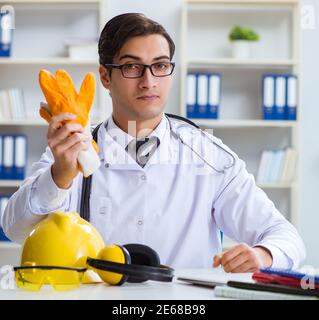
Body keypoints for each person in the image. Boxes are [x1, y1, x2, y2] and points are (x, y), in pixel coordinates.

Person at [1, 13, 305, 271]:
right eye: (132, 67)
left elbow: (284, 236)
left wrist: (263, 255)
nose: (149, 81)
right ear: (105, 77)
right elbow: (14, 228)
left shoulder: (208, 155)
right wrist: (61, 175)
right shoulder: (71, 150)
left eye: (160, 65)